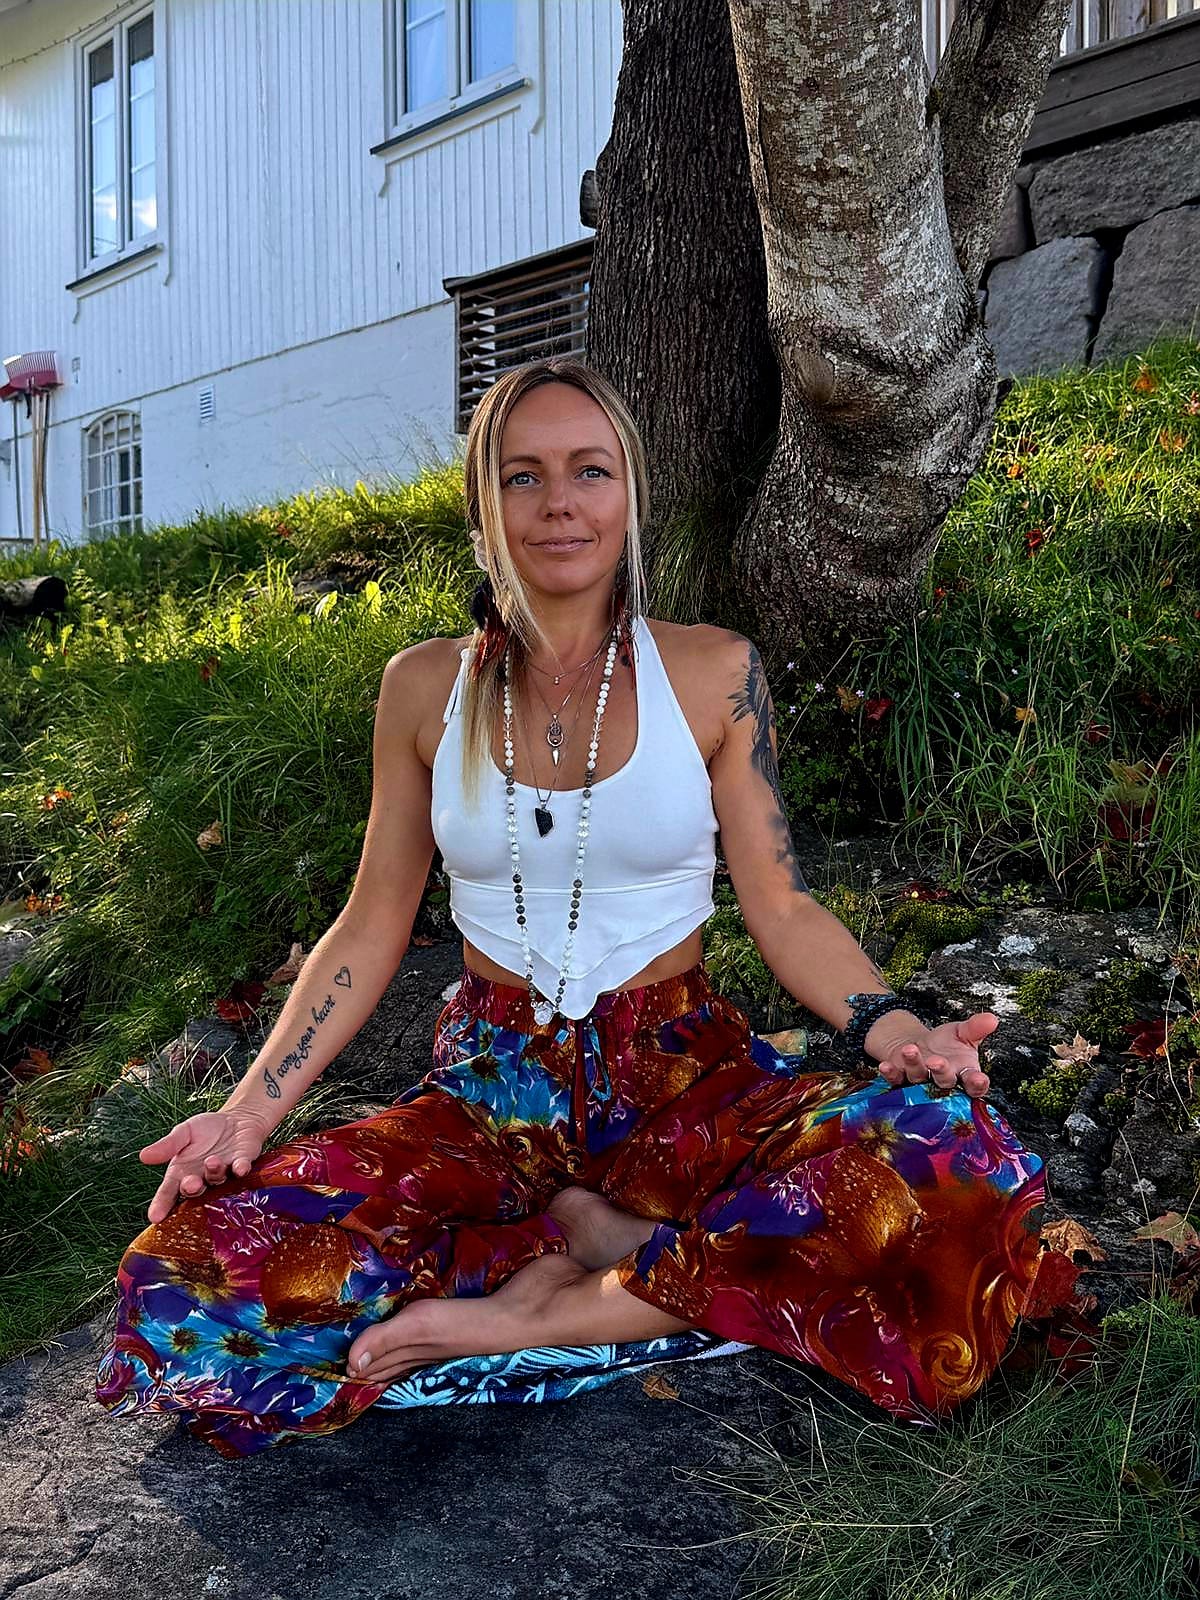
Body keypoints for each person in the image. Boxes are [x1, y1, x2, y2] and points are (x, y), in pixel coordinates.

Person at [95, 356, 1046, 1460]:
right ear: (480, 505)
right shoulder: (420, 687)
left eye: (590, 471)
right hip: (494, 1092)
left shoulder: (714, 672)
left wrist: (898, 1030)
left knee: (951, 1153)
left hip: (684, 1076)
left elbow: (782, 907)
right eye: (523, 475)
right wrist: (252, 1110)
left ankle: (554, 1303)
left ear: (629, 495)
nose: (559, 504)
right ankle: (628, 1248)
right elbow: (368, 924)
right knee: (190, 1262)